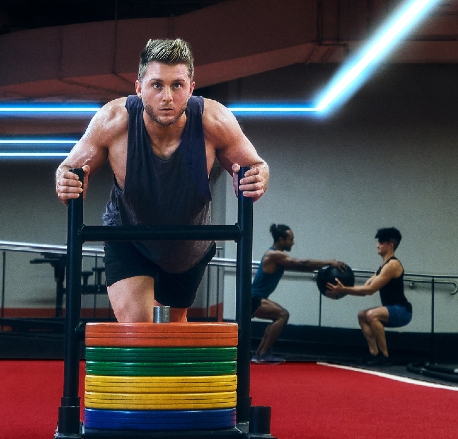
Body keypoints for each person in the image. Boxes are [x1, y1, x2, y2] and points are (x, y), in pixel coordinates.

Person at [55, 38, 270, 322]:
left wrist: (257, 176)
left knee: (172, 330)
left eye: (177, 85)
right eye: (157, 85)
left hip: (187, 248)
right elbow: (69, 168)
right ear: (139, 87)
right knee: (139, 330)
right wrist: (66, 181)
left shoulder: (214, 120)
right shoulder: (113, 120)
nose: (167, 97)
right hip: (129, 238)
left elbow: (254, 165)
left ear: (191, 88)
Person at [250, 223, 351, 364]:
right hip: (253, 297)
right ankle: (261, 354)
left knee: (278, 316)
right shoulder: (274, 255)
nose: (293, 242)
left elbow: (301, 267)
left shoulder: (277, 256)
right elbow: (302, 263)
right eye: (290, 239)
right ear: (281, 240)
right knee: (282, 315)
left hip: (254, 297)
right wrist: (330, 262)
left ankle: (261, 353)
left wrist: (321, 270)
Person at [324, 227, 409, 365]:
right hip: (392, 309)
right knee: (362, 315)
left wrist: (343, 289)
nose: (378, 245)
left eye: (381, 242)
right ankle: (374, 353)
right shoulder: (383, 266)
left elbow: (369, 290)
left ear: (390, 245)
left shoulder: (393, 265)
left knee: (371, 315)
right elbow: (366, 286)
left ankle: (385, 355)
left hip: (402, 310)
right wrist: (344, 288)